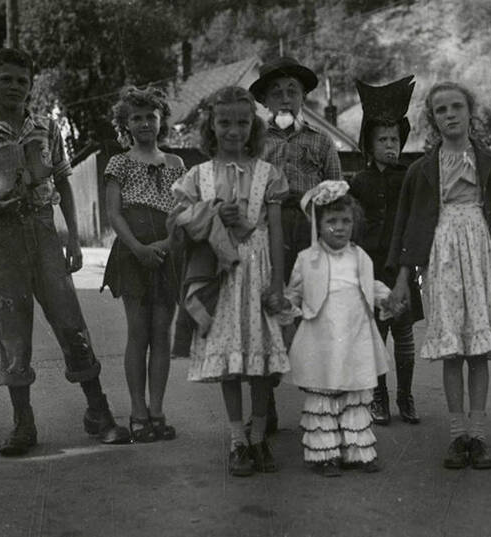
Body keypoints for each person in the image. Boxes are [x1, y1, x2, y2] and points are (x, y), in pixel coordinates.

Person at [0, 48, 129, 455]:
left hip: (45, 232)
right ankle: (23, 424)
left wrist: (75, 239)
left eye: (22, 81)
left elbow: (63, 183)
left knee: (70, 323)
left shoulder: (46, 129)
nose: (14, 87)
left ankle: (98, 412)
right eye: (6, 79)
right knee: (13, 333)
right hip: (3, 238)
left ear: (30, 87)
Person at [388, 82, 491, 469]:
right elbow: (410, 225)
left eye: (456, 107)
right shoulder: (421, 170)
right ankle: (457, 436)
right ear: (432, 120)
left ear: (470, 112)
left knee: (478, 349)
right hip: (442, 257)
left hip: (483, 253)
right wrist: (403, 277)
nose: (449, 115)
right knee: (454, 348)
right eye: (440, 110)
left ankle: (479, 436)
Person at [169, 86, 289, 476]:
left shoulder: (268, 174)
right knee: (231, 360)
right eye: (224, 123)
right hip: (220, 276)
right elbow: (178, 220)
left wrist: (277, 285)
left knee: (258, 360)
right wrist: (212, 212)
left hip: (258, 272)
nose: (233, 131)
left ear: (252, 126)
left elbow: (275, 232)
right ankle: (237, 439)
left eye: (241, 122)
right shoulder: (199, 176)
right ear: (212, 126)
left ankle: (258, 439)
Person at [249, 56, 343, 434]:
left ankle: (319, 406)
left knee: (312, 313)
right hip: (269, 230)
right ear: (266, 103)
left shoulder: (322, 142)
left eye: (292, 92)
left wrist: (333, 240)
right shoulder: (256, 141)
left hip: (310, 228)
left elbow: (337, 194)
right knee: (270, 310)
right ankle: (265, 403)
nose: (285, 99)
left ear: (304, 98)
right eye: (277, 93)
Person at [281, 181, 394, 476]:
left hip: (355, 335)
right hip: (322, 337)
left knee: (355, 392)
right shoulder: (307, 259)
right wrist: (283, 306)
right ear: (318, 224)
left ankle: (358, 451)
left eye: (346, 221)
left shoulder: (360, 257)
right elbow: (293, 293)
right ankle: (324, 453)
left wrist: (387, 298)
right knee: (325, 394)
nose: (340, 227)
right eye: (331, 221)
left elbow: (372, 286)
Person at [102, 87, 185, 442]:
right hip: (132, 254)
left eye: (150, 116)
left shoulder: (176, 164)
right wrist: (137, 248)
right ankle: (137, 412)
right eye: (136, 117)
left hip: (167, 253)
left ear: (160, 120)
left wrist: (166, 245)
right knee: (138, 333)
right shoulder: (119, 163)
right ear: (126, 124)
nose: (144, 123)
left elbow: (183, 210)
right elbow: (113, 212)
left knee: (161, 333)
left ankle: (157, 411)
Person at [349, 75, 423, 425]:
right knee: (376, 336)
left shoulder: (409, 177)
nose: (390, 145)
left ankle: (405, 396)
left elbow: (416, 222)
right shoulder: (359, 182)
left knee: (404, 334)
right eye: (383, 140)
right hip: (371, 266)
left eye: (395, 139)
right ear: (370, 144)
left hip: (402, 268)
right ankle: (378, 396)